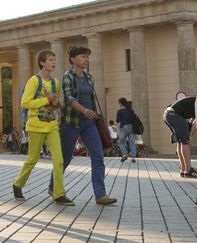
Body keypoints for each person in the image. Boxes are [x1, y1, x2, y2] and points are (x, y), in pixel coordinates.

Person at [50, 44, 117, 205]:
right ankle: (53, 187)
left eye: (87, 56)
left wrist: (93, 116)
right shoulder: (68, 76)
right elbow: (69, 98)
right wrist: (84, 110)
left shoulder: (89, 77)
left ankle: (100, 195)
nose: (86, 59)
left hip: (89, 123)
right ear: (73, 59)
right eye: (82, 56)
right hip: (71, 122)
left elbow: (92, 100)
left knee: (98, 155)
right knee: (65, 158)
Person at [13, 49, 74, 205]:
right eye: (50, 59)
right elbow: (24, 103)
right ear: (42, 63)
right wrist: (45, 101)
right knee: (32, 159)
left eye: (55, 59)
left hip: (52, 125)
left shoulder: (55, 83)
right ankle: (18, 184)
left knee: (59, 159)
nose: (54, 62)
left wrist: (54, 102)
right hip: (35, 125)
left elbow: (55, 104)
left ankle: (58, 193)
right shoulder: (34, 81)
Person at [163, 94, 197, 177]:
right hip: (174, 115)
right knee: (185, 142)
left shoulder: (196, 101)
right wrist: (190, 135)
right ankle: (188, 170)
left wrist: (189, 130)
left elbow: (193, 119)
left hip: (167, 114)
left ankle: (183, 169)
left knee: (180, 141)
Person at [116, 97, 137, 163]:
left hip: (123, 128)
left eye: (119, 103)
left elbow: (117, 120)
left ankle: (125, 154)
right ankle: (133, 158)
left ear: (121, 103)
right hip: (131, 127)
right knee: (132, 143)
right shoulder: (131, 110)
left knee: (121, 142)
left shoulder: (119, 111)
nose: (118, 104)